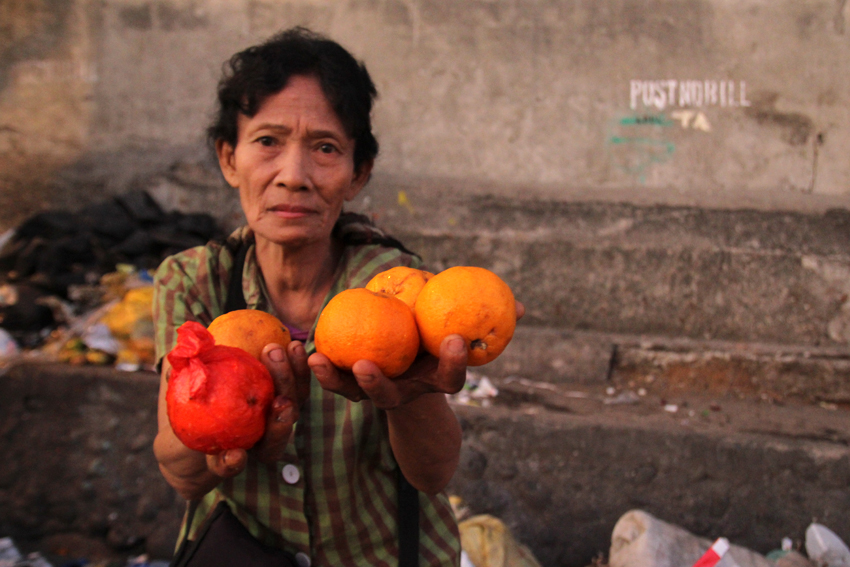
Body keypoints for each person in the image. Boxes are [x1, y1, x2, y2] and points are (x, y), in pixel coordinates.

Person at [153, 27, 522, 566]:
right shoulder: (193, 283)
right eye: (267, 142)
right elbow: (180, 475)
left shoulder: (398, 289)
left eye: (325, 148)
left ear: (358, 173)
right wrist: (226, 419)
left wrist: (410, 396)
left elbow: (432, 474)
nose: (293, 176)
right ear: (229, 158)